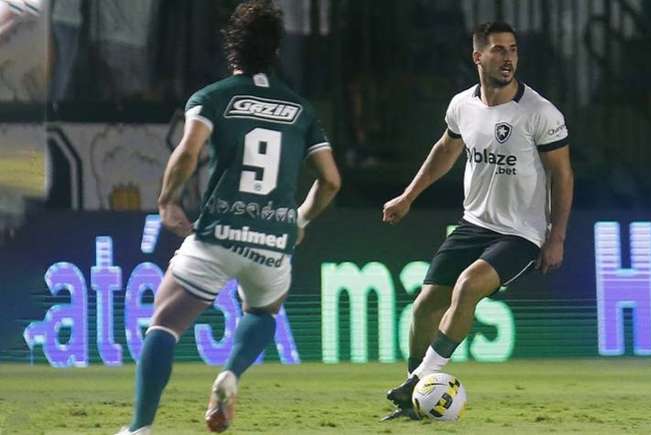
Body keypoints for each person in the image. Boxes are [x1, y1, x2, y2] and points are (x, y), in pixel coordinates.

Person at [115, 1, 341, 433]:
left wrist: (168, 201)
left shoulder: (213, 97)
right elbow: (331, 181)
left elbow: (188, 152)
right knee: (263, 311)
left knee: (163, 324)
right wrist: (300, 221)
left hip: (219, 235)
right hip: (273, 244)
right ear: (277, 50)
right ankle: (231, 373)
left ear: (232, 50)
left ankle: (140, 428)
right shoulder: (301, 109)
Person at [381, 21, 573, 420]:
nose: (508, 58)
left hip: (521, 234)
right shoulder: (461, 105)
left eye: (513, 49)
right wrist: (408, 196)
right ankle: (415, 396)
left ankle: (421, 380)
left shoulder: (539, 112)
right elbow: (445, 150)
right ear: (478, 56)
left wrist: (557, 237)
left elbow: (562, 174)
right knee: (422, 308)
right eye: (499, 50)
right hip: (474, 225)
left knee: (467, 287)